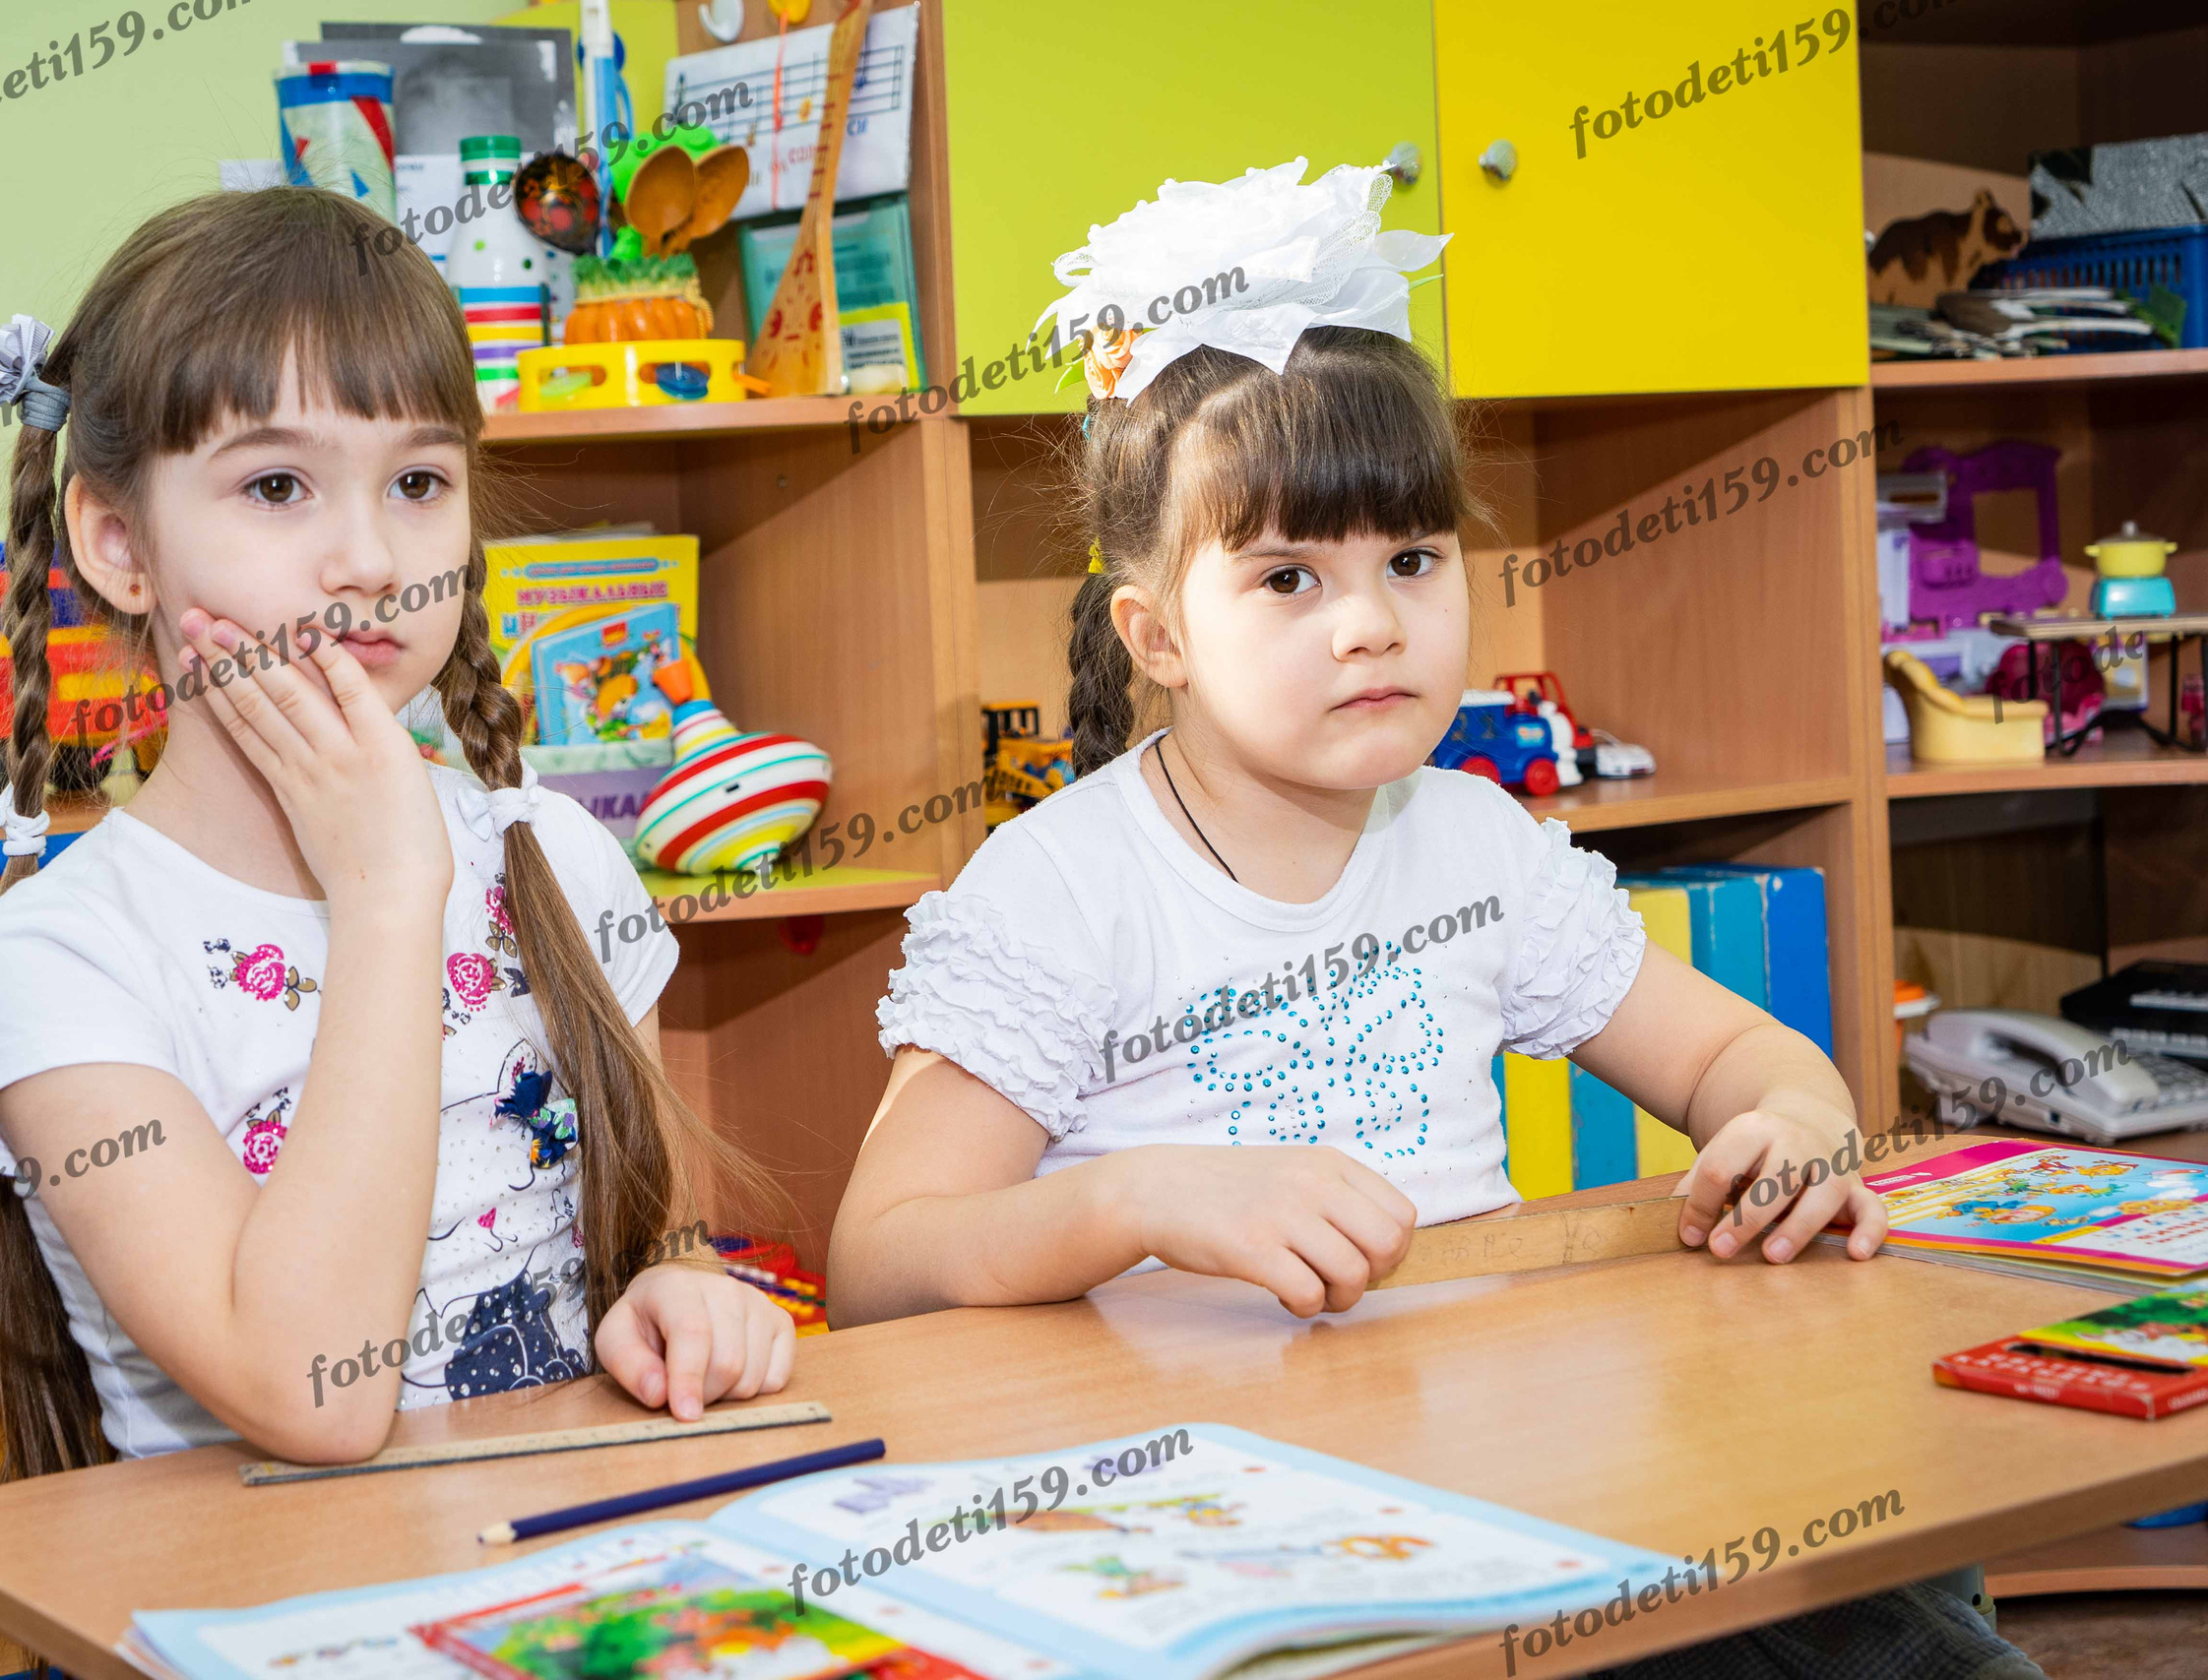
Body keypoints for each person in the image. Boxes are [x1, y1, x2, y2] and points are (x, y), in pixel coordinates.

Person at [828, 158, 2038, 1680]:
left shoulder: (1475, 843)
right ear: (1158, 635)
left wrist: (1791, 1126)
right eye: (1287, 578)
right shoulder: (1060, 889)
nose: (1370, 622)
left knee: (1905, 1629)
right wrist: (1139, 1201)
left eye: (1411, 559)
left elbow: (1742, 1059)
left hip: (1508, 1485)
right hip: (1203, 1539)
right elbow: (878, 1266)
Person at [0, 187, 790, 1472]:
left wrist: (683, 1290)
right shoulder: (58, 963)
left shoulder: (554, 855)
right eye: (278, 484)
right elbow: (314, 1402)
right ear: (117, 542)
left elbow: (653, 1229)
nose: (373, 560)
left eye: (419, 481)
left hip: (574, 1545)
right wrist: (389, 894)